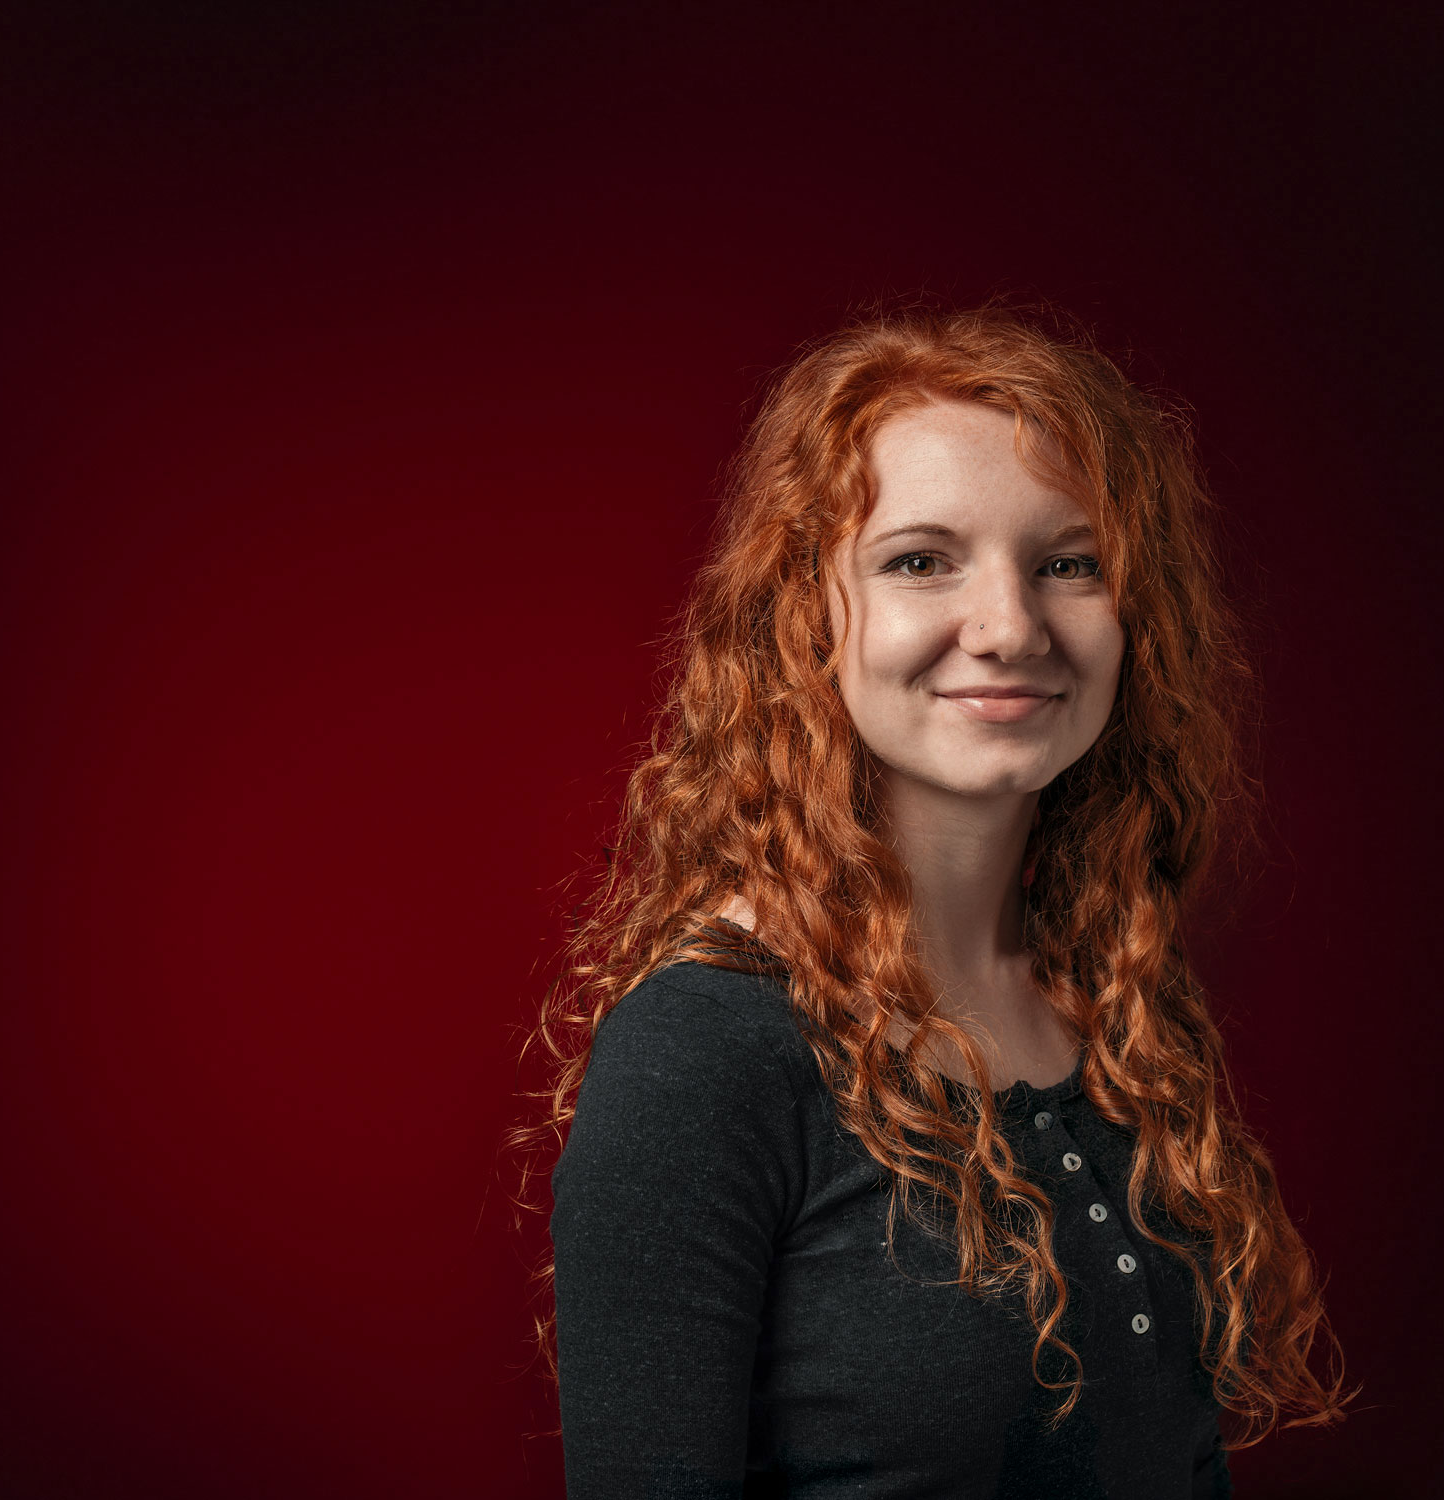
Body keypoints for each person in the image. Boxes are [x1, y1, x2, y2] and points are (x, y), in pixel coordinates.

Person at [523, 304, 1345, 1497]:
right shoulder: (705, 1052)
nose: (1008, 627)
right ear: (806, 614)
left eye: (1068, 563)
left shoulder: (1110, 1005)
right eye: (919, 560)